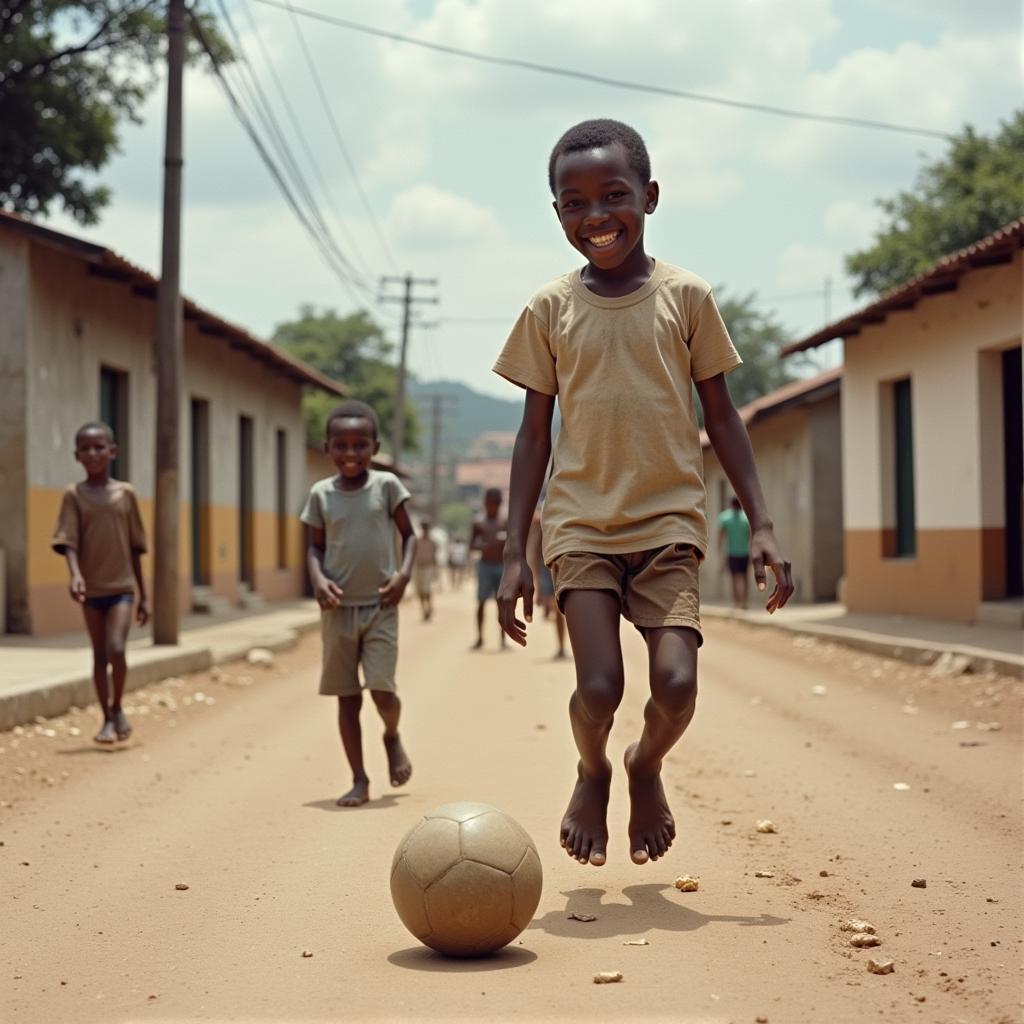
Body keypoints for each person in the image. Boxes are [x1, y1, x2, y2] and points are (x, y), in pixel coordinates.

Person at [494, 119, 793, 868]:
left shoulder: (685, 297)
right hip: (582, 527)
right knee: (598, 688)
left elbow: (721, 417)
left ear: (650, 196)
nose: (596, 216)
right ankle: (592, 768)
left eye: (614, 195)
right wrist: (514, 556)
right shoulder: (548, 309)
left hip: (667, 525)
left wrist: (763, 525)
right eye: (574, 203)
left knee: (678, 687)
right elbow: (533, 438)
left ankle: (643, 765)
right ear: (556, 213)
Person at [301, 400, 416, 807]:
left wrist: (403, 576)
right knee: (347, 697)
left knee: (382, 693)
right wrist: (318, 580)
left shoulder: (386, 487)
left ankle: (391, 734)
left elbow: (410, 535)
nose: (351, 454)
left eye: (360, 445)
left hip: (381, 605)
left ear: (375, 446)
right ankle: (359, 779)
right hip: (337, 611)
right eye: (342, 445)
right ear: (328, 448)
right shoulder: (320, 494)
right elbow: (313, 549)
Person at [51, 422, 149, 744]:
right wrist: (75, 575)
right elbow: (69, 541)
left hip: (121, 588)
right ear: (76, 455)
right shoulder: (74, 495)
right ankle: (107, 719)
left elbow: (136, 547)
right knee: (98, 654)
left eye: (98, 447)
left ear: (112, 451)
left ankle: (118, 706)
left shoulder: (126, 494)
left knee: (117, 649)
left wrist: (144, 596)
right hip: (91, 590)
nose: (92, 453)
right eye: (85, 448)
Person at [469, 487, 507, 651]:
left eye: (495, 504)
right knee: (481, 602)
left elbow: (513, 544)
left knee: (503, 604)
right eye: (490, 504)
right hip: (485, 565)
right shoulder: (478, 522)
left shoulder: (505, 522)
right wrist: (483, 546)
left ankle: (503, 639)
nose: (492, 507)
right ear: (485, 504)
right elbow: (471, 545)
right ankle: (479, 638)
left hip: (501, 566)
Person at [527, 511, 567, 659]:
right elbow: (535, 554)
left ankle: (563, 648)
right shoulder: (541, 525)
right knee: (557, 610)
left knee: (560, 611)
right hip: (547, 569)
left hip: (564, 566)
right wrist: (537, 586)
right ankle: (561, 647)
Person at [718, 496, 751, 609]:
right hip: (745, 552)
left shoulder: (725, 517)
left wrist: (720, 552)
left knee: (734, 578)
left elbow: (721, 537)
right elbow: (750, 537)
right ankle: (744, 602)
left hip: (732, 552)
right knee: (745, 578)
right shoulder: (746, 518)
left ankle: (736, 602)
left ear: (731, 504)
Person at [413, 519, 438, 622]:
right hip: (418, 567)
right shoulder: (417, 541)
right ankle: (424, 610)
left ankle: (429, 607)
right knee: (420, 591)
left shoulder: (432, 542)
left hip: (428, 568)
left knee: (426, 589)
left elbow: (434, 556)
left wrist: (436, 571)